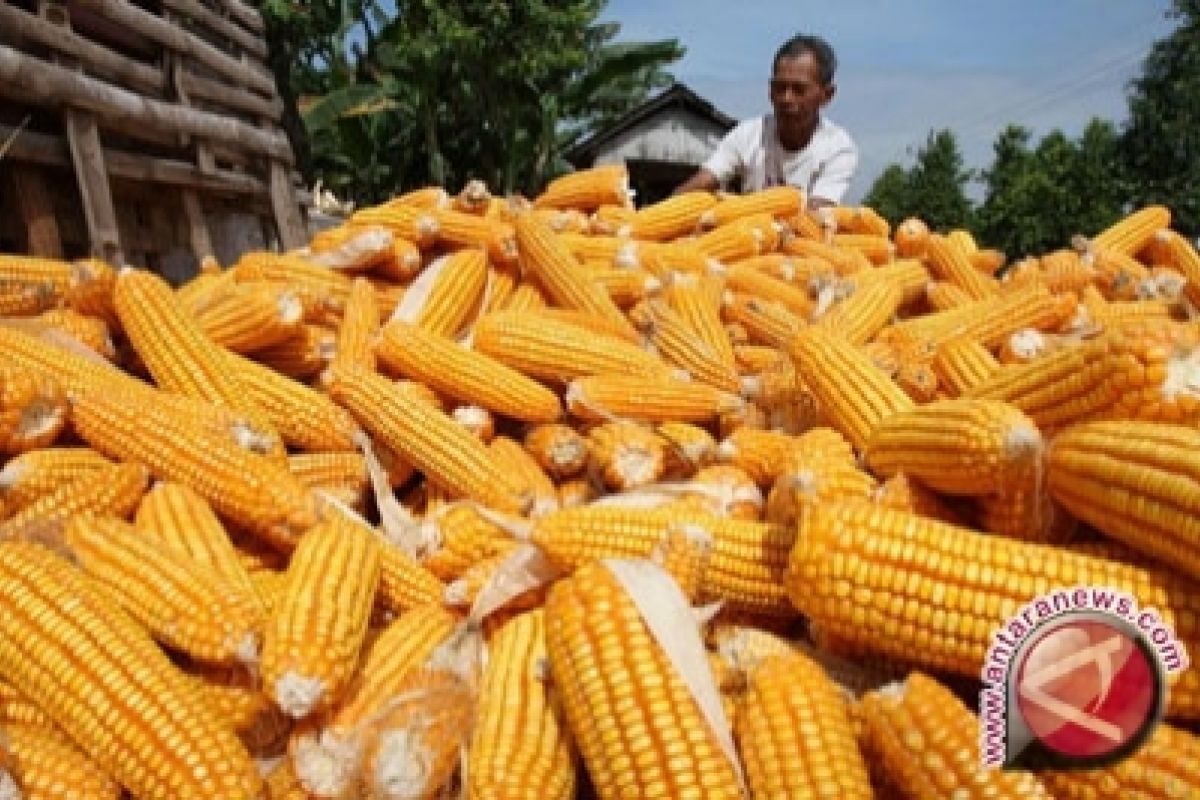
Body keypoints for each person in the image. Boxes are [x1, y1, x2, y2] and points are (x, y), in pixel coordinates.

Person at [674, 33, 858, 208]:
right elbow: (704, 180)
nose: (786, 98)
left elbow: (817, 215)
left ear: (827, 95)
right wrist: (668, 207)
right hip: (750, 237)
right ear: (769, 91)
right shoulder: (747, 134)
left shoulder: (838, 148)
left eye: (799, 89)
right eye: (779, 87)